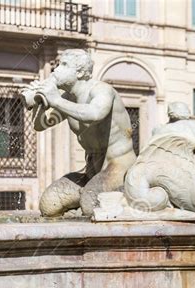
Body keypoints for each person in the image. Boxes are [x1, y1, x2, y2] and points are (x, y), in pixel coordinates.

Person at [22, 49, 136, 217]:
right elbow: (42, 125)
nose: (56, 69)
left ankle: (130, 201)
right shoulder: (68, 98)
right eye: (59, 64)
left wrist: (56, 100)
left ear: (81, 72)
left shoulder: (101, 90)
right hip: (91, 169)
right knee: (49, 204)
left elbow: (94, 114)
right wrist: (40, 103)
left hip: (119, 165)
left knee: (91, 204)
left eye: (64, 65)